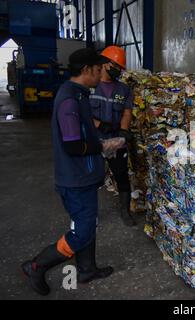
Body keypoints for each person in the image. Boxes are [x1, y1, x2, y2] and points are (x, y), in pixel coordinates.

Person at [21, 48, 121, 296]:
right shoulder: (69, 101)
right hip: (75, 179)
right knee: (82, 231)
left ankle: (86, 269)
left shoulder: (79, 95)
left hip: (84, 176)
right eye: (98, 70)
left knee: (87, 223)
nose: (101, 75)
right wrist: (104, 146)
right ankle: (37, 266)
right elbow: (74, 145)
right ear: (86, 70)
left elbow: (84, 133)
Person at [90, 45, 136, 226]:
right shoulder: (91, 86)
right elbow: (82, 113)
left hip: (116, 141)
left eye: (120, 69)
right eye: (116, 67)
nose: (118, 71)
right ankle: (91, 214)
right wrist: (100, 124)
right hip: (94, 140)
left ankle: (125, 212)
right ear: (105, 64)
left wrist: (124, 131)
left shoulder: (124, 90)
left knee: (121, 176)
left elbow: (126, 111)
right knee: (92, 178)